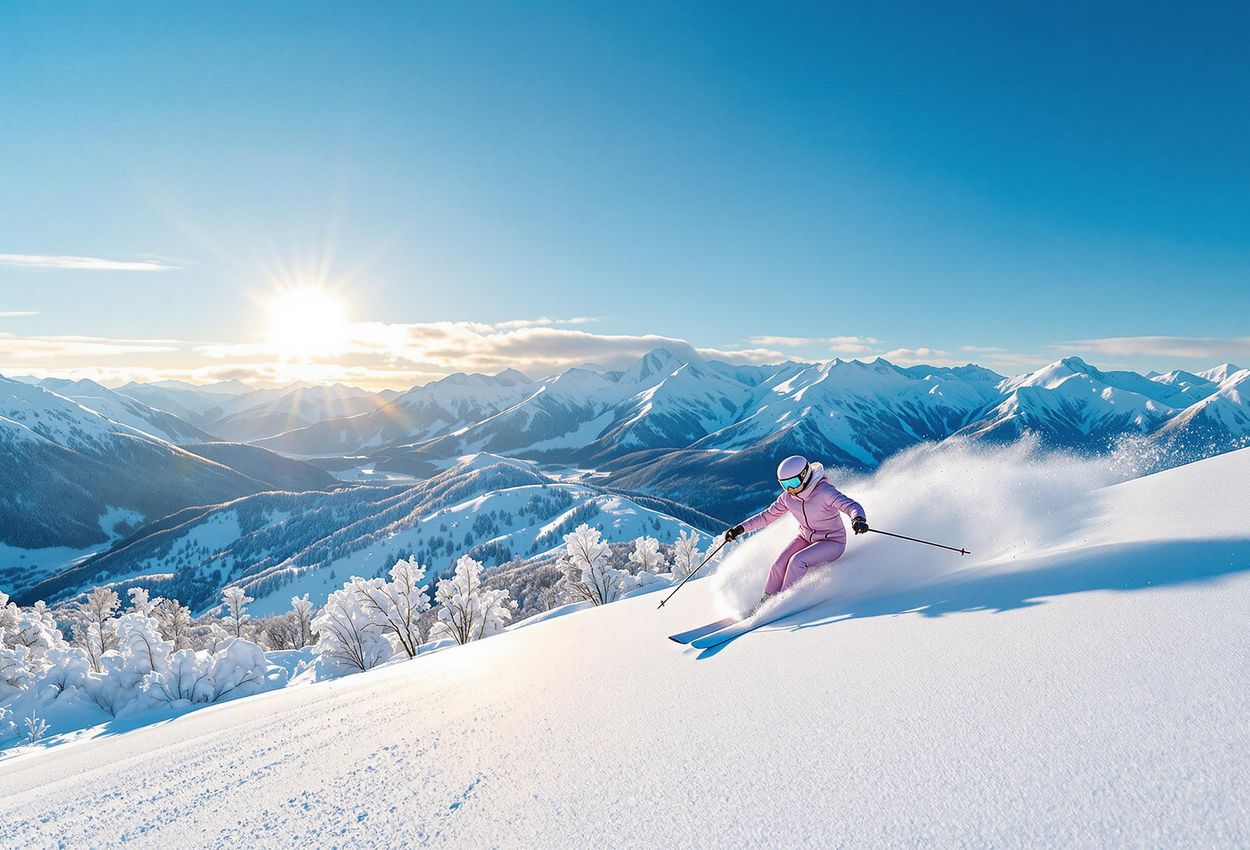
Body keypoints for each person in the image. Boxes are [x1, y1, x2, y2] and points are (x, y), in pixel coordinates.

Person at [724, 455, 868, 598]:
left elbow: (851, 506)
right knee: (778, 564)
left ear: (804, 475)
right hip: (805, 537)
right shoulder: (788, 497)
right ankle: (766, 600)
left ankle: (782, 601)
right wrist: (740, 529)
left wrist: (858, 518)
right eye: (785, 485)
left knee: (797, 561)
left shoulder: (825, 491)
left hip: (832, 541)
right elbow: (766, 516)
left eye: (793, 482)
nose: (790, 489)